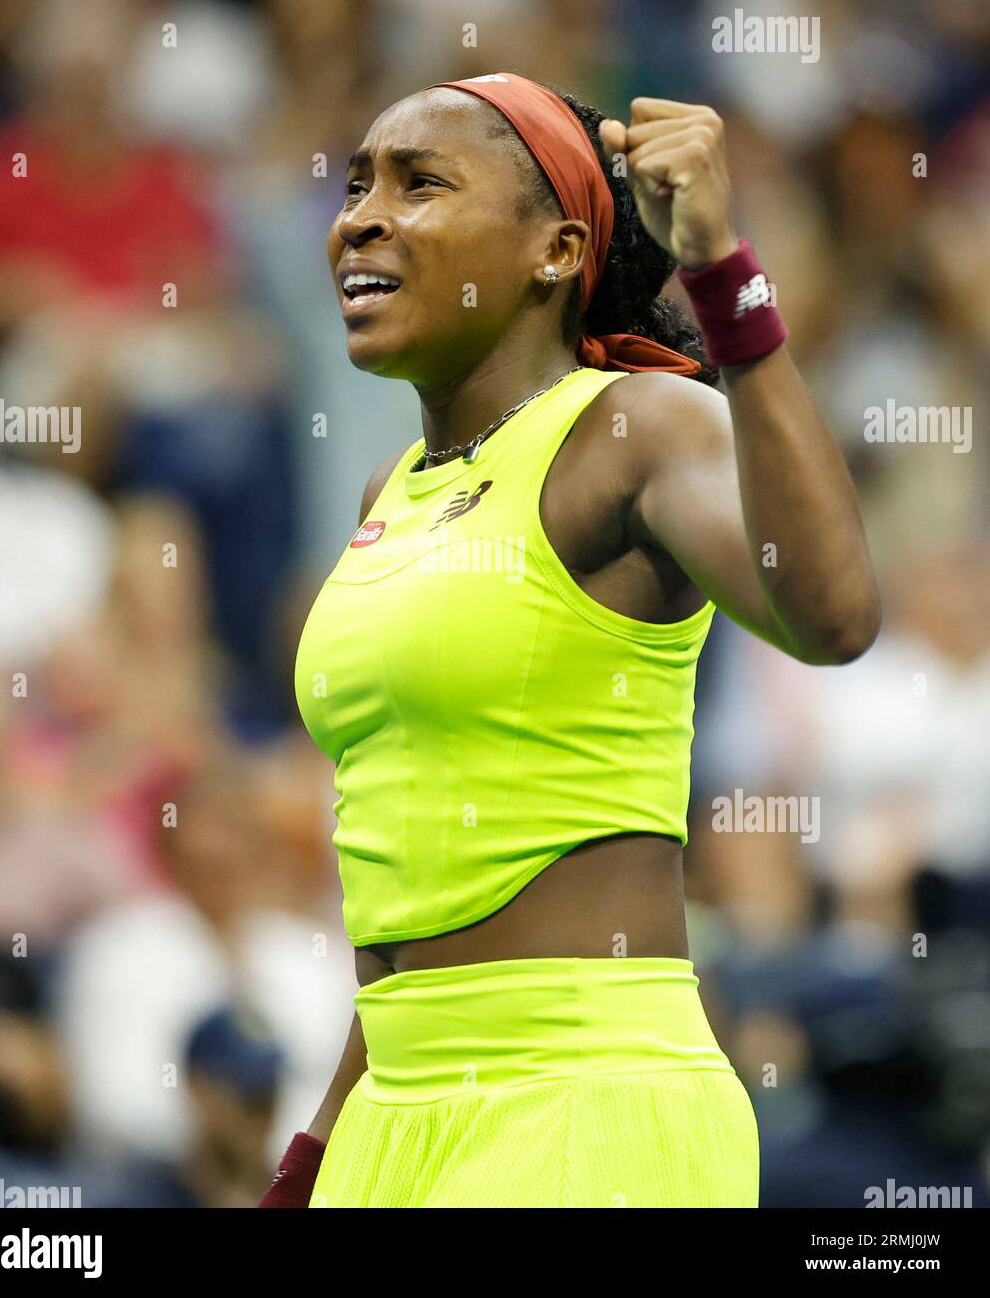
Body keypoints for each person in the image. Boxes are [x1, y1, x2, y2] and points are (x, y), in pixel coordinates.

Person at [259, 72, 880, 1208]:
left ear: (554, 251)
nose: (360, 215)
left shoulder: (631, 427)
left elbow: (830, 614)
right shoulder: (383, 491)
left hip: (586, 1102)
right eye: (356, 186)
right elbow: (416, 891)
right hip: (391, 1117)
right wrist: (314, 1153)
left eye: (419, 182)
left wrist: (721, 269)